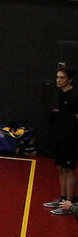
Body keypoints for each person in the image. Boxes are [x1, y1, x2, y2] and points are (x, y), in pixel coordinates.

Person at [44, 64, 77, 214]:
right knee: (60, 168)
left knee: (69, 170)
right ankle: (62, 199)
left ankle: (69, 204)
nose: (58, 80)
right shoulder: (59, 94)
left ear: (70, 80)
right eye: (57, 77)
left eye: (62, 78)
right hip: (59, 138)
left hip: (71, 139)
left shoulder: (74, 97)